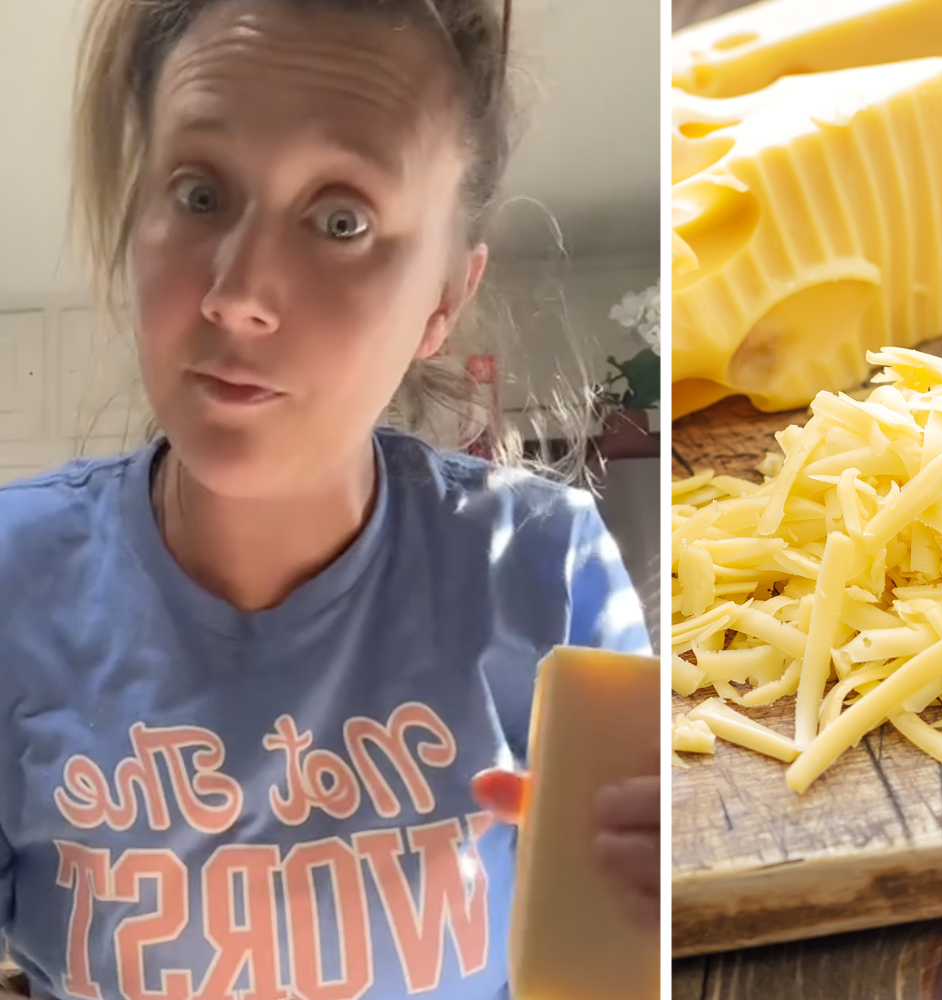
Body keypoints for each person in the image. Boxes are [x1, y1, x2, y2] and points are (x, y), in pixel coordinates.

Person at [0, 1, 657, 997]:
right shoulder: (14, 581)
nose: (236, 293)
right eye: (199, 193)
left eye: (341, 220)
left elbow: (619, 954)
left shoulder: (547, 568)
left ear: (445, 298)